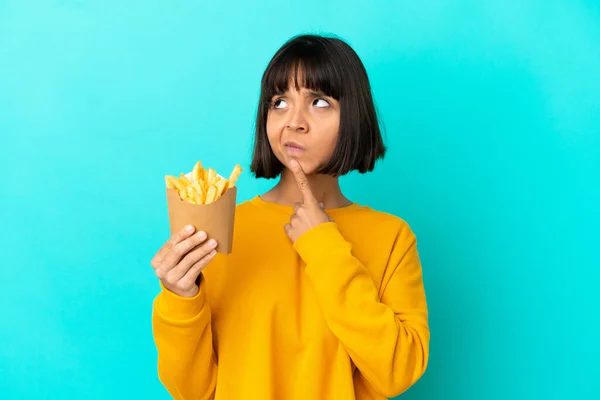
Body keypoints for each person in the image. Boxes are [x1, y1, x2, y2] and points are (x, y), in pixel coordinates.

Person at [150, 33, 429, 400]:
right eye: (279, 102)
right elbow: (193, 390)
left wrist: (325, 247)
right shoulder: (222, 229)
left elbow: (399, 370)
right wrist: (179, 298)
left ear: (354, 117)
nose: (294, 122)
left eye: (319, 102)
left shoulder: (391, 237)